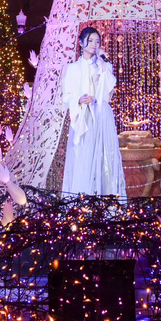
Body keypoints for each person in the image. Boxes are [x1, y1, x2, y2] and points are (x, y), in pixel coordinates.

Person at [60, 27, 126, 198]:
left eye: (97, 41)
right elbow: (66, 96)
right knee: (83, 156)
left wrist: (103, 69)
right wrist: (79, 100)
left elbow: (108, 95)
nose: (94, 44)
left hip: (101, 115)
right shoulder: (72, 68)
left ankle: (107, 199)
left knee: (104, 157)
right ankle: (81, 200)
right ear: (81, 43)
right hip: (82, 116)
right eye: (90, 41)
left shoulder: (104, 66)